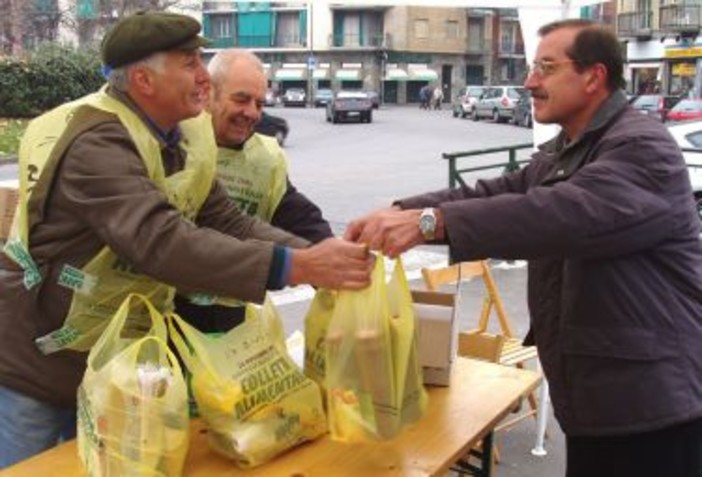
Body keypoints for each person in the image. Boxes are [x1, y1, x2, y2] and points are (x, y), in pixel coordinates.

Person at [0, 11, 372, 468]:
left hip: (113, 362)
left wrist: (312, 253)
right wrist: (297, 268)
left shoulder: (185, 135)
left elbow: (223, 219)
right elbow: (161, 241)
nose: (203, 77)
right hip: (42, 365)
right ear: (143, 80)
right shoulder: (96, 142)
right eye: (190, 64)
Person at [345, 19, 702, 477]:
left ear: (593, 77)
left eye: (546, 68)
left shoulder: (641, 148)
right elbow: (495, 193)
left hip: (652, 408)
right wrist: (399, 210)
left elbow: (560, 214)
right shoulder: (566, 149)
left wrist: (431, 223)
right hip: (599, 402)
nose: (530, 81)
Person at [174, 48, 334, 333]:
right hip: (166, 314)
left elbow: (297, 216)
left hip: (229, 317)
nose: (251, 113)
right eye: (241, 99)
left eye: (260, 104)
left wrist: (330, 259)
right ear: (209, 93)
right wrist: (292, 265)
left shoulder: (265, 158)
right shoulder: (175, 141)